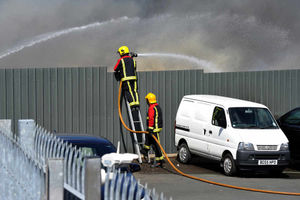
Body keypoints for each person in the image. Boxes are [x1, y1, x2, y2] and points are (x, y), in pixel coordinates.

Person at [141, 92, 164, 168]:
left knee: (156, 145)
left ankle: (159, 161)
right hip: (155, 129)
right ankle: (145, 150)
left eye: (147, 100)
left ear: (149, 100)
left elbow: (151, 119)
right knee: (148, 138)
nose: (146, 101)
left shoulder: (151, 108)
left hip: (154, 130)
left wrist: (150, 128)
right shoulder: (157, 106)